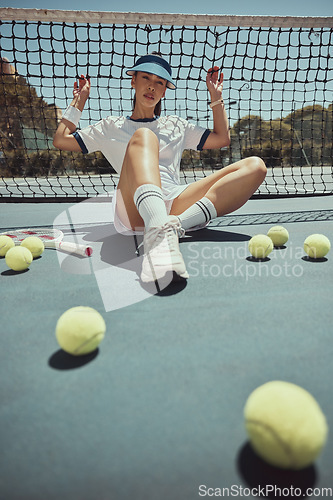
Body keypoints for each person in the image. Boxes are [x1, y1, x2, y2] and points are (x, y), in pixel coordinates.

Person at [53, 53, 267, 284]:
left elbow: (222, 138)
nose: (152, 87)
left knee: (256, 166)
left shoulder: (176, 125)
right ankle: (157, 235)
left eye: (160, 82)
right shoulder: (110, 127)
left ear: (165, 91)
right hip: (132, 209)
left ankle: (171, 227)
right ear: (133, 80)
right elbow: (61, 140)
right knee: (144, 136)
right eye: (145, 77)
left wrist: (216, 97)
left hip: (176, 204)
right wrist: (79, 101)